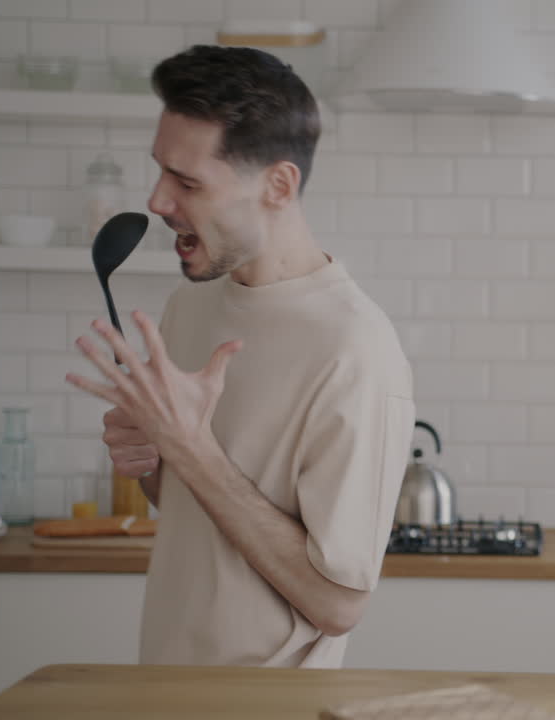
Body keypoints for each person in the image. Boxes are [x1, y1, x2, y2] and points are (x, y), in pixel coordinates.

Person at [65, 45, 415, 668]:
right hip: (165, 685)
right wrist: (153, 456)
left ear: (279, 185)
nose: (157, 200)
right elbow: (189, 510)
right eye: (161, 172)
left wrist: (191, 446)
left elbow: (338, 607)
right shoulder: (189, 306)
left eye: (188, 182)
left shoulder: (355, 349)